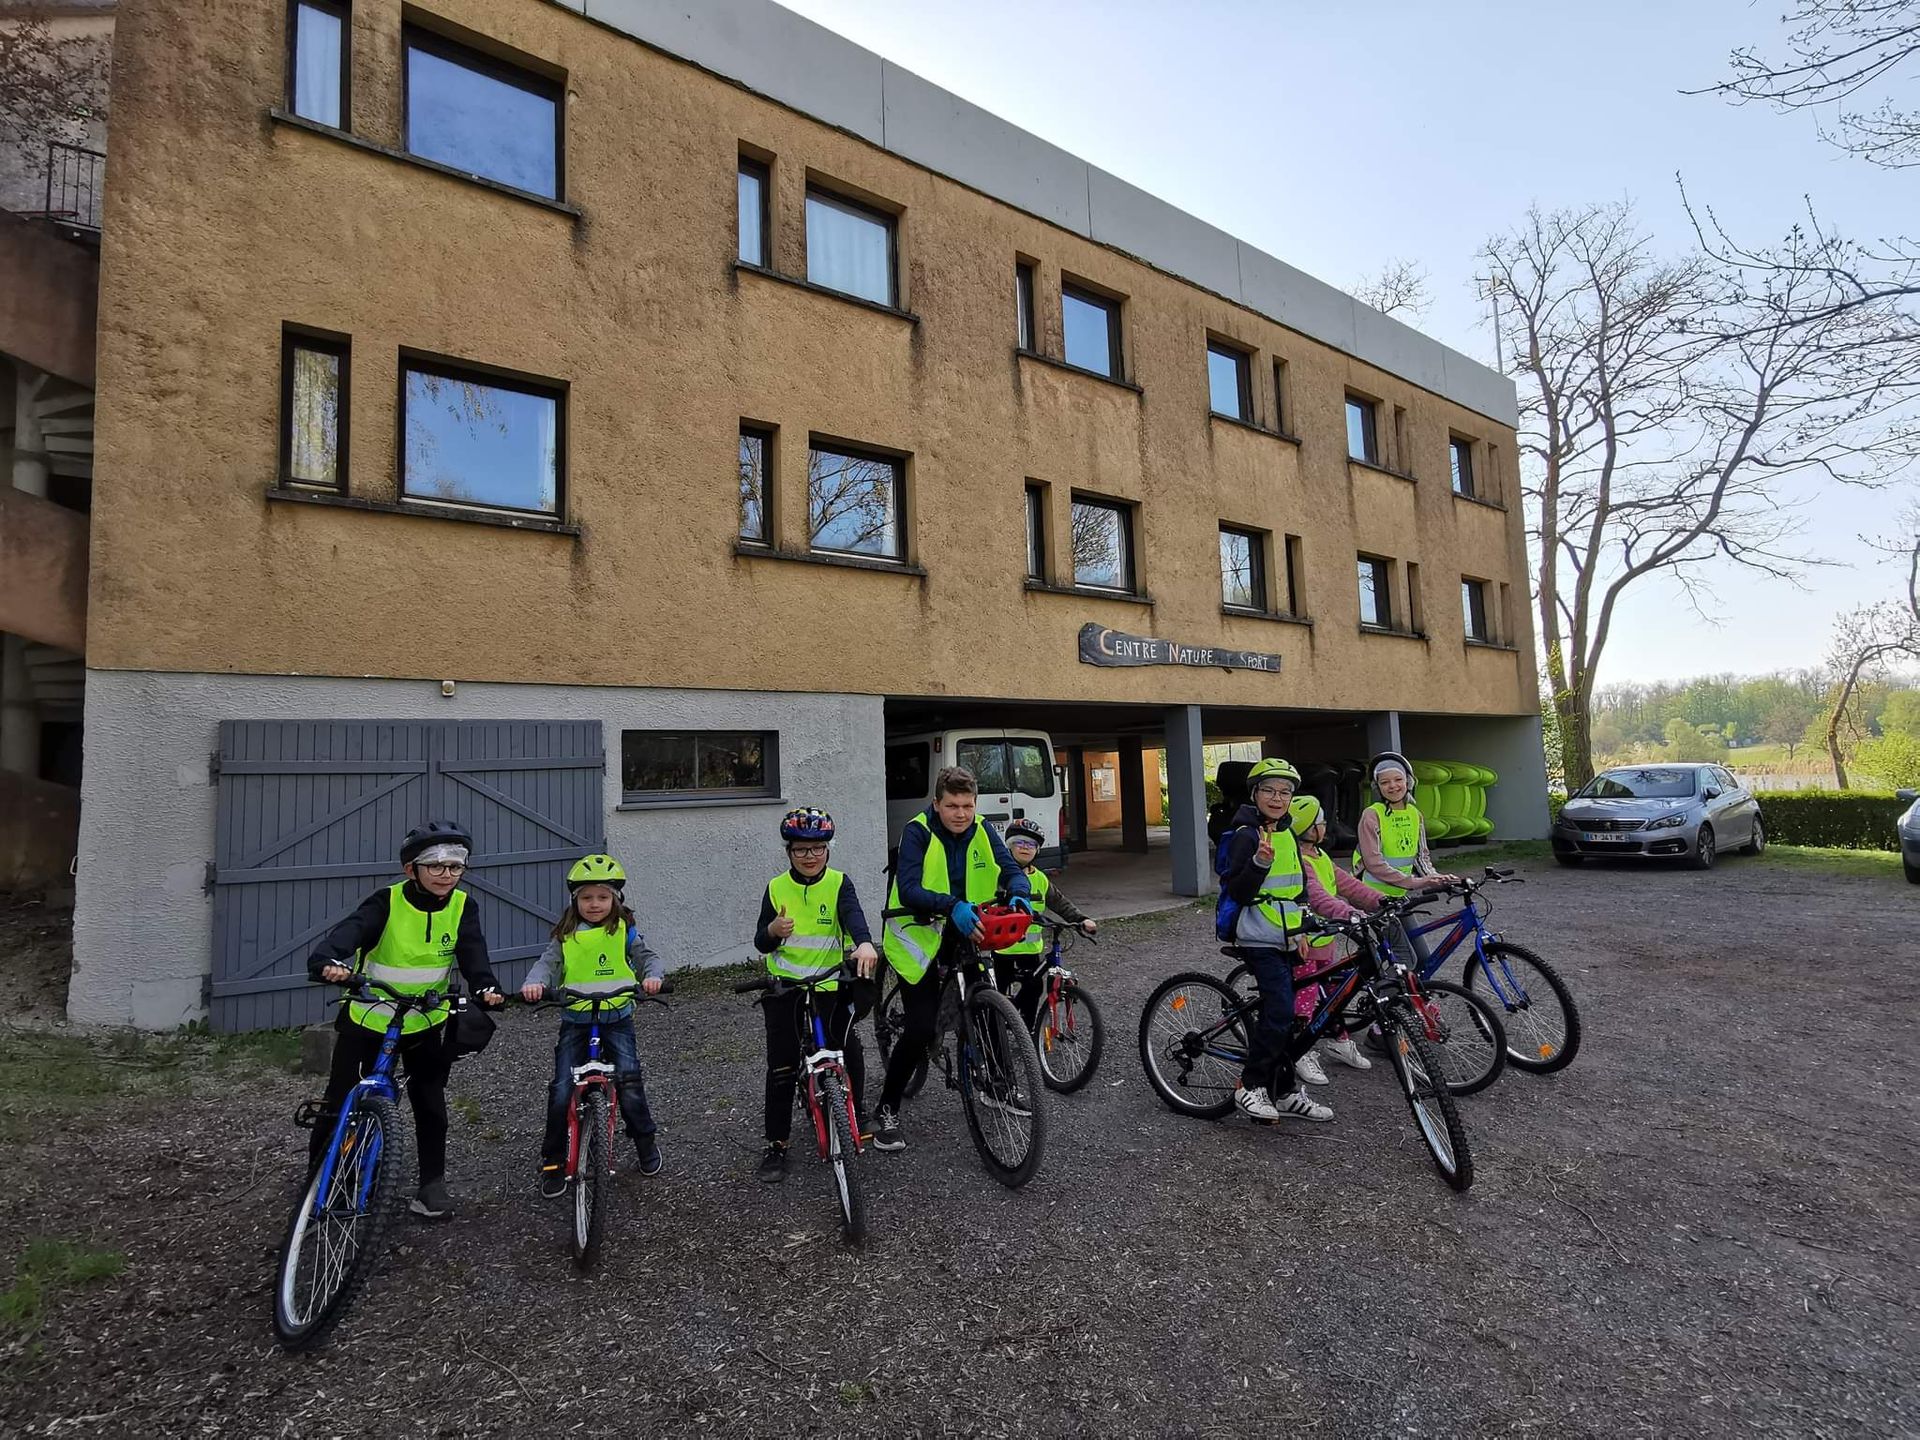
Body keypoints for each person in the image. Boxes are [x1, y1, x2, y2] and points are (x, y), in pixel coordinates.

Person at [307, 820, 506, 1221]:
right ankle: (319, 1186)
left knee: (430, 1102)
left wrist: (486, 986)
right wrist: (330, 961)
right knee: (340, 1103)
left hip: (425, 1021)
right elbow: (349, 934)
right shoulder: (387, 902)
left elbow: (472, 954)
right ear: (410, 869)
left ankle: (431, 1185)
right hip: (369, 1018)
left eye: (455, 866)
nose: (446, 874)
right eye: (435, 865)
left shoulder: (464, 905)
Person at [873, 765, 1031, 1152]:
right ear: (936, 803)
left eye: (967, 805)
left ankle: (998, 1087)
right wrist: (951, 904)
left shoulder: (982, 829)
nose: (960, 813)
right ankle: (886, 1108)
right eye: (952, 805)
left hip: (965, 928)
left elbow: (1009, 866)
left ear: (975, 804)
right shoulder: (917, 831)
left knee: (990, 1006)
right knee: (921, 1027)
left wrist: (1019, 890)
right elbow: (908, 887)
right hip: (919, 936)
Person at [519, 853, 665, 1197]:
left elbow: (647, 959)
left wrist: (653, 977)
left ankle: (645, 1143)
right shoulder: (566, 934)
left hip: (617, 1019)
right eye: (587, 897)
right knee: (560, 1090)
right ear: (575, 901)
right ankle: (553, 1160)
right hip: (577, 1020)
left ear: (616, 900)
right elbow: (546, 964)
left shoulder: (624, 930)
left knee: (629, 1082)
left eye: (602, 897)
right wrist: (534, 983)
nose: (595, 904)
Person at [749, 806, 880, 1184]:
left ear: (828, 849)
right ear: (789, 851)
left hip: (827, 983)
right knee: (782, 1065)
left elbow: (853, 916)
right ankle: (777, 1143)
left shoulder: (839, 883)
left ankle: (855, 1108)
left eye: (818, 848)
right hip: (784, 987)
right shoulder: (776, 888)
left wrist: (865, 944)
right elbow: (761, 943)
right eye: (801, 849)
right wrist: (773, 929)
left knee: (848, 1048)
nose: (810, 856)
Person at [1216, 758, 1332, 1125]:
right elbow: (1237, 890)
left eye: (1285, 792)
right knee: (1281, 1011)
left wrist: (1300, 932)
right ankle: (1250, 1085)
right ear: (1255, 794)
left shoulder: (1287, 835)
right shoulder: (1246, 835)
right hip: (1256, 934)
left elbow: (1297, 890)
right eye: (1269, 790)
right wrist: (1259, 863)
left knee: (1292, 1017)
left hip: (1285, 935)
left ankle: (1284, 1092)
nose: (1277, 798)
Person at [1289, 794, 1379, 1085]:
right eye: (1322, 823)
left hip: (1325, 941)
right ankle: (1299, 1051)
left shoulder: (1320, 856)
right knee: (1306, 1000)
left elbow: (1347, 884)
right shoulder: (1301, 862)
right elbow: (1319, 898)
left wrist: (1380, 900)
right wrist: (1349, 913)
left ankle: (1339, 1040)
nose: (1325, 827)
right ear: (1308, 829)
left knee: (1336, 994)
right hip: (1305, 946)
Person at [1350, 751, 1460, 972]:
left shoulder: (1414, 814)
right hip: (1373, 897)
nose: (1393, 786)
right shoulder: (1372, 815)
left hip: (1399, 895)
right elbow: (1373, 862)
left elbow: (1421, 856)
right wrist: (1414, 882)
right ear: (1377, 787)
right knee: (1405, 959)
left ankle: (1412, 1000)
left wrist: (1437, 878)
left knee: (1423, 958)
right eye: (1385, 782)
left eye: (1398, 780)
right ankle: (1391, 1002)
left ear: (1408, 782)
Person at [995, 817, 1096, 1031]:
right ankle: (994, 1033)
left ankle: (1027, 1029)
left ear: (1037, 850)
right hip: (1001, 947)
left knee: (1033, 987)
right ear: (1009, 847)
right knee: (998, 991)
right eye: (1019, 843)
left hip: (1029, 948)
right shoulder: (999, 876)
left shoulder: (1040, 879)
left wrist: (1080, 919)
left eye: (1031, 844)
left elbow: (1059, 903)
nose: (1025, 848)